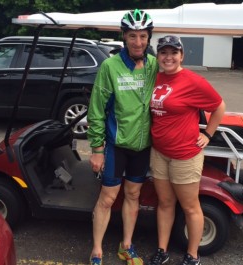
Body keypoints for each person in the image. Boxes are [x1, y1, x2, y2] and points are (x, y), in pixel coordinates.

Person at [87, 9, 158, 265]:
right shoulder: (110, 66)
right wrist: (96, 147)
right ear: (124, 37)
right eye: (132, 36)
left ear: (149, 37)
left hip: (142, 146)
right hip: (116, 145)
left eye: (142, 36)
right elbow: (96, 109)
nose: (138, 42)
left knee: (133, 196)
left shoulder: (154, 65)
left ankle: (126, 245)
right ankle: (96, 249)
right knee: (107, 197)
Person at [148, 35, 226, 265]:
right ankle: (162, 250)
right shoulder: (156, 77)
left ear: (182, 55)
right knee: (164, 203)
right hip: (159, 152)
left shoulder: (193, 81)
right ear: (158, 56)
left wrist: (208, 134)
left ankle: (192, 255)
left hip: (184, 155)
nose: (168, 57)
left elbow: (219, 106)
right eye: (163, 52)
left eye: (173, 52)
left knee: (190, 206)